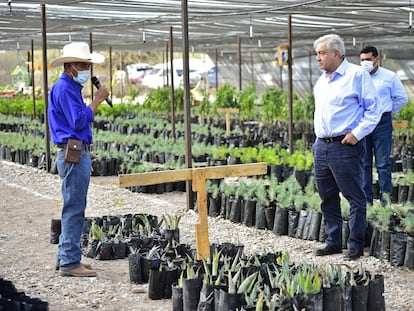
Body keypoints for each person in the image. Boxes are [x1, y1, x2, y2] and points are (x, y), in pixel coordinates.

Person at [312, 34, 381, 260]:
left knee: (354, 197)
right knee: (327, 197)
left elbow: (374, 110)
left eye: (321, 53)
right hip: (322, 146)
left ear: (336, 53)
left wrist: (356, 134)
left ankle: (355, 244)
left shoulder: (357, 75)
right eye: (316, 54)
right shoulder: (322, 80)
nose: (318, 58)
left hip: (345, 145)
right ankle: (333, 241)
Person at [48, 42, 110, 277]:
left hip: (74, 150)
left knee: (73, 206)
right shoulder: (64, 88)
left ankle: (67, 256)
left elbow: (72, 126)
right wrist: (98, 100)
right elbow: (77, 122)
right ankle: (69, 263)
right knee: (74, 208)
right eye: (84, 65)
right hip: (72, 153)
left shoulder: (68, 88)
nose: (87, 70)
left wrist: (84, 149)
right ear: (71, 66)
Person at [360, 46, 409, 205]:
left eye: (368, 59)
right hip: (363, 123)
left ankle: (385, 203)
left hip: (382, 124)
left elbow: (402, 98)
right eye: (362, 60)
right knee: (364, 164)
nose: (365, 63)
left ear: (377, 59)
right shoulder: (358, 77)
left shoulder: (389, 76)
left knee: (383, 164)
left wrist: (387, 112)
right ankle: (366, 202)